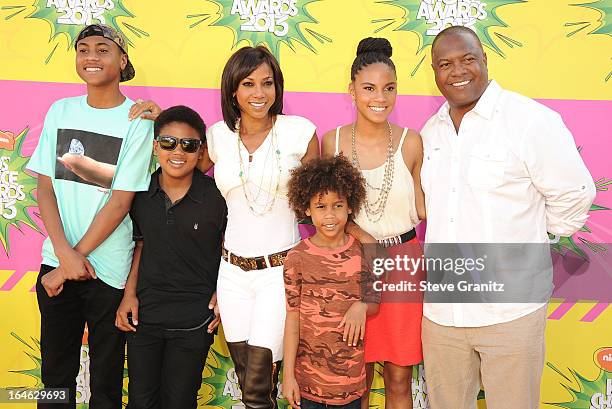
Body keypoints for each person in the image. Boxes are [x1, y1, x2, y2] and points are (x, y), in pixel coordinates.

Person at [129, 45, 319, 409]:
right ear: (232, 90)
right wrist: (161, 121)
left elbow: (318, 205)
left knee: (259, 382)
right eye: (248, 84)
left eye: (267, 83)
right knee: (249, 378)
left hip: (277, 273)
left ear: (278, 87)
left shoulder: (301, 133)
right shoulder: (216, 137)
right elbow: (177, 165)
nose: (258, 93)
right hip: (231, 275)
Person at [420, 26, 596, 408]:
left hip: (510, 310)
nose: (457, 71)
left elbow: (575, 193)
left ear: (485, 59)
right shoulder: (430, 132)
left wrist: (534, 241)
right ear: (434, 72)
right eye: (445, 64)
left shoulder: (529, 120)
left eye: (467, 59)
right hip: (443, 313)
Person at [27, 24, 153, 409]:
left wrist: (71, 262)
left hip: (108, 273)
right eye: (83, 50)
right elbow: (45, 187)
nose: (91, 58)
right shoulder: (60, 110)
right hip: (56, 265)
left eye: (103, 49)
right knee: (54, 379)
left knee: (107, 384)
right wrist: (64, 258)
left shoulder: (138, 120)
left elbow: (120, 202)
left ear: (122, 60)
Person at [321, 37, 426, 409]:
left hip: (402, 265)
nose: (379, 97)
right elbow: (324, 209)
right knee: (355, 378)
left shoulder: (412, 143)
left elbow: (427, 207)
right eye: (368, 88)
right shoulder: (331, 142)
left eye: (389, 88)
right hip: (350, 267)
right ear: (351, 90)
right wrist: (359, 233)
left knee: (399, 378)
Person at [114, 106, 226, 409]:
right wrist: (129, 295)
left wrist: (224, 293)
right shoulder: (140, 192)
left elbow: (229, 247)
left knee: (179, 402)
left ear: (200, 150)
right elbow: (140, 245)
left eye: (189, 145)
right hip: (145, 318)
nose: (178, 151)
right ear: (155, 147)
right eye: (168, 143)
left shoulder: (217, 197)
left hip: (194, 320)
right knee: (141, 400)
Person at [282, 155, 380, 409]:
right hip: (307, 386)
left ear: (350, 206)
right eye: (320, 206)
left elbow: (375, 303)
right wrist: (288, 375)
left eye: (338, 205)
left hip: (350, 385)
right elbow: (292, 318)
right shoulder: (297, 257)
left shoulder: (362, 252)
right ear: (306, 209)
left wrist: (361, 305)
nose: (330, 215)